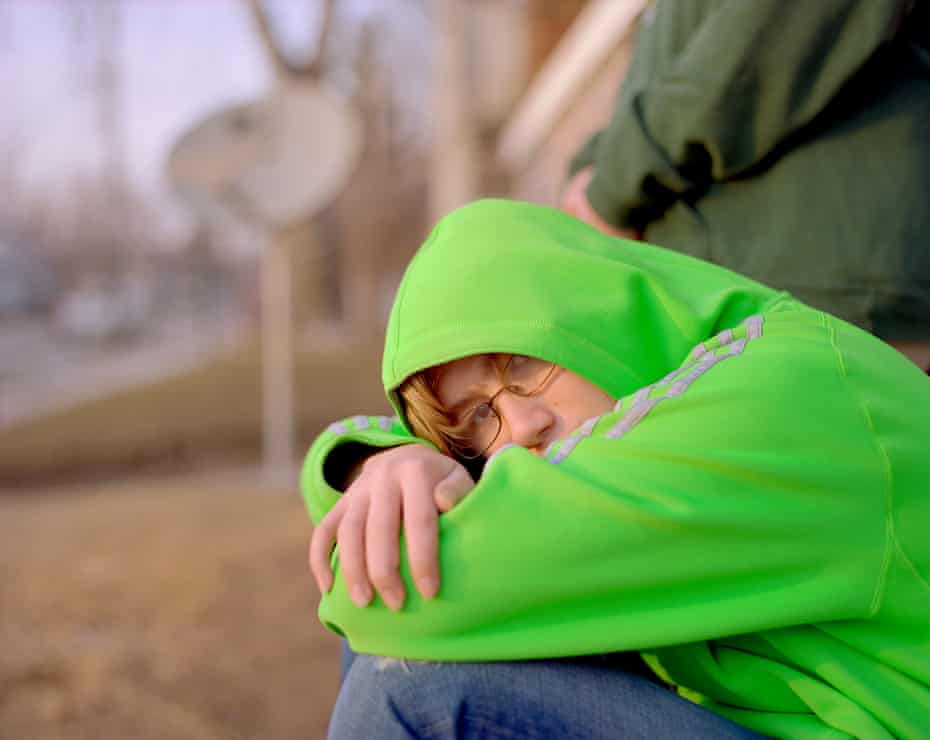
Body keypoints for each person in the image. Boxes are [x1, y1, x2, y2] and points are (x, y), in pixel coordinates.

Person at [303, 199, 930, 738]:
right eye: (475, 417)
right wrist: (388, 463)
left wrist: (401, 497)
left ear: (591, 303)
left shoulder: (790, 392)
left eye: (522, 364)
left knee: (408, 685)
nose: (520, 430)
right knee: (387, 532)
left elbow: (390, 600)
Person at [560, 0, 930, 370]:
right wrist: (593, 172)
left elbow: (748, 59)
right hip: (755, 315)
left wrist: (610, 186)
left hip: (829, 305)